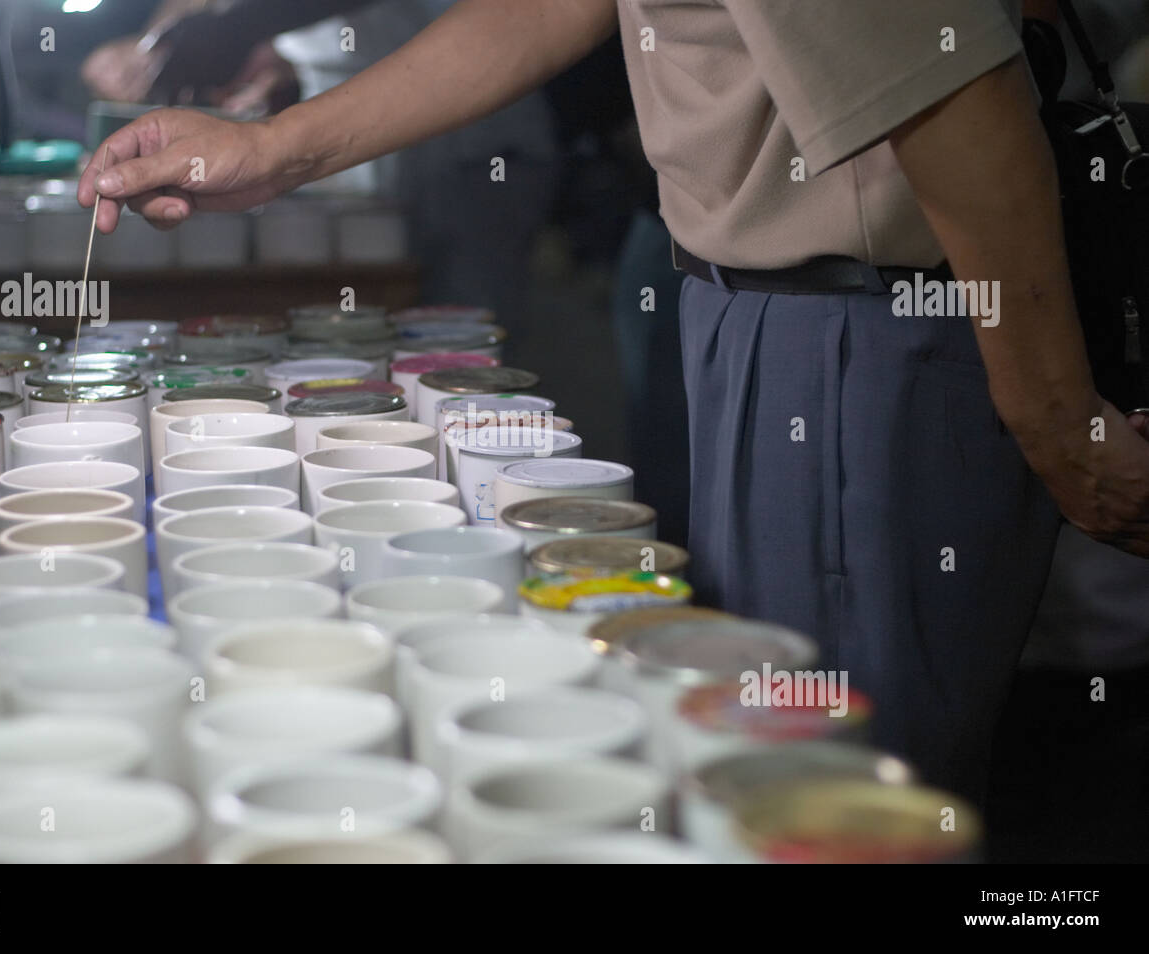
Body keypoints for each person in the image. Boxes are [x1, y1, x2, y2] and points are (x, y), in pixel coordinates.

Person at [77, 0, 1149, 800]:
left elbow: (956, 92)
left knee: (840, 785)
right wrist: (277, 149)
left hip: (860, 328)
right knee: (770, 750)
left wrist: (1057, 419)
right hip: (770, 313)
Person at [80, 0, 558, 333]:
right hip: (358, 139)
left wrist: (245, 27)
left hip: (474, 141)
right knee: (372, 322)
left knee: (460, 333)